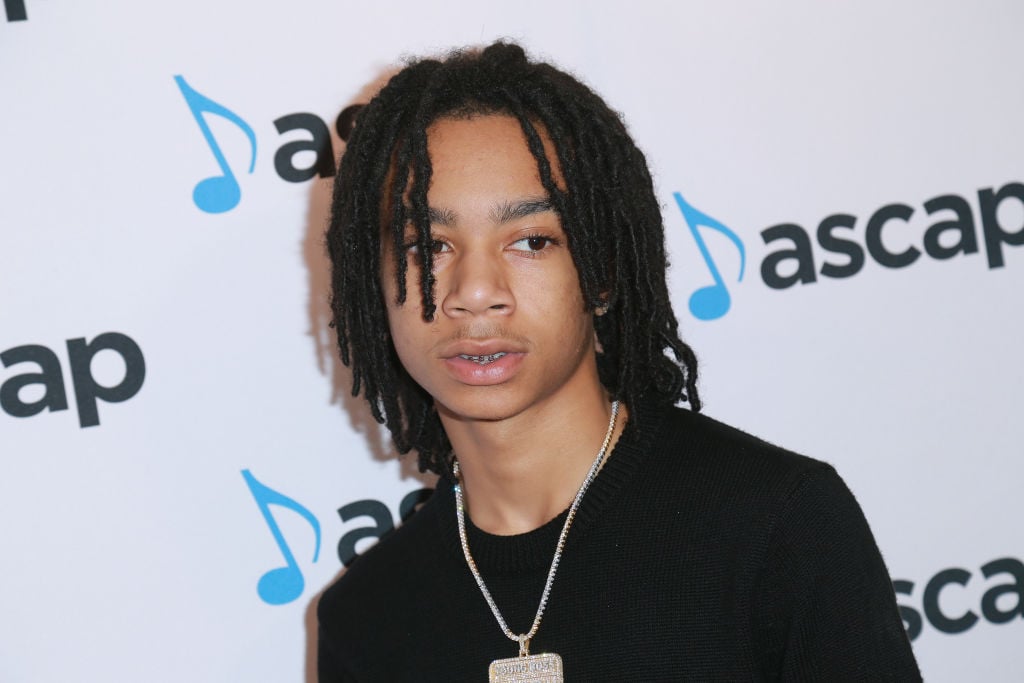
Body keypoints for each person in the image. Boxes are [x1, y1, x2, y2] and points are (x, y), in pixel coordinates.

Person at [317, 41, 920, 682]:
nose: (475, 292)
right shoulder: (367, 617)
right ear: (374, 285)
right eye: (428, 245)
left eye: (532, 241)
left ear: (602, 272)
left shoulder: (775, 525)